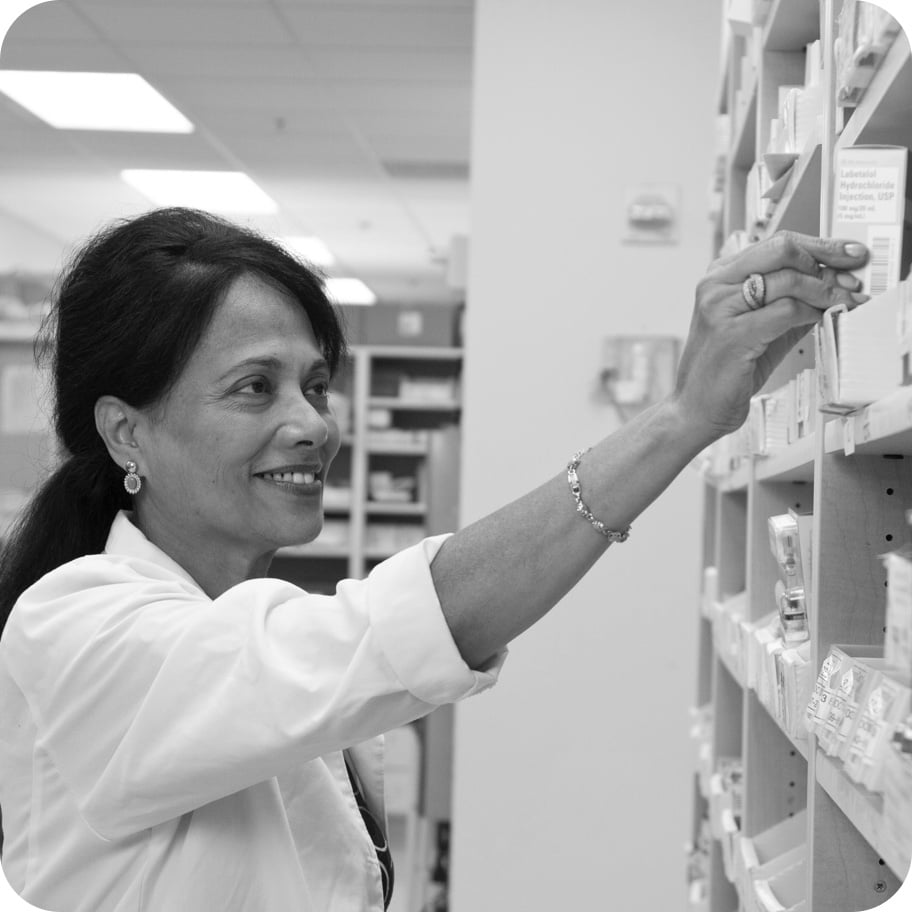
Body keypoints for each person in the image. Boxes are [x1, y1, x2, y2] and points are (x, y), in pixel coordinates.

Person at [0, 207, 869, 912]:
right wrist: (680, 418)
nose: (312, 424)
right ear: (126, 431)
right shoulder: (74, 629)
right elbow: (397, 630)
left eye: (314, 383)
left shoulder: (252, 625)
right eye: (254, 386)